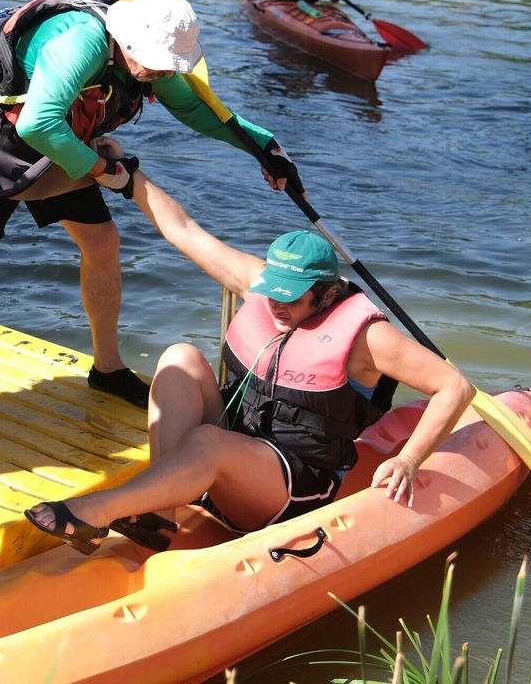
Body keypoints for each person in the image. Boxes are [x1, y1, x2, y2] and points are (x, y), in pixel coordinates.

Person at [0, 0, 298, 451]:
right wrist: (101, 170)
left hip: (61, 137)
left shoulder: (145, 62)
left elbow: (196, 108)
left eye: (169, 65)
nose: (162, 74)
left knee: (102, 241)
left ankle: (107, 368)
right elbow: (35, 124)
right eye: (157, 63)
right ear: (129, 40)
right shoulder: (83, 43)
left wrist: (263, 146)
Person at [24, 163, 476, 553]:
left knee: (208, 442)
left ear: (326, 293)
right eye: (273, 292)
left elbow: (454, 386)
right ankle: (157, 515)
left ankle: (99, 509)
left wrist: (409, 460)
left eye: (291, 298)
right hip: (242, 449)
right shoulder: (259, 284)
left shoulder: (367, 337)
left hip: (294, 486)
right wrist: (127, 176)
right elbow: (184, 230)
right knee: (181, 357)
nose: (276, 305)